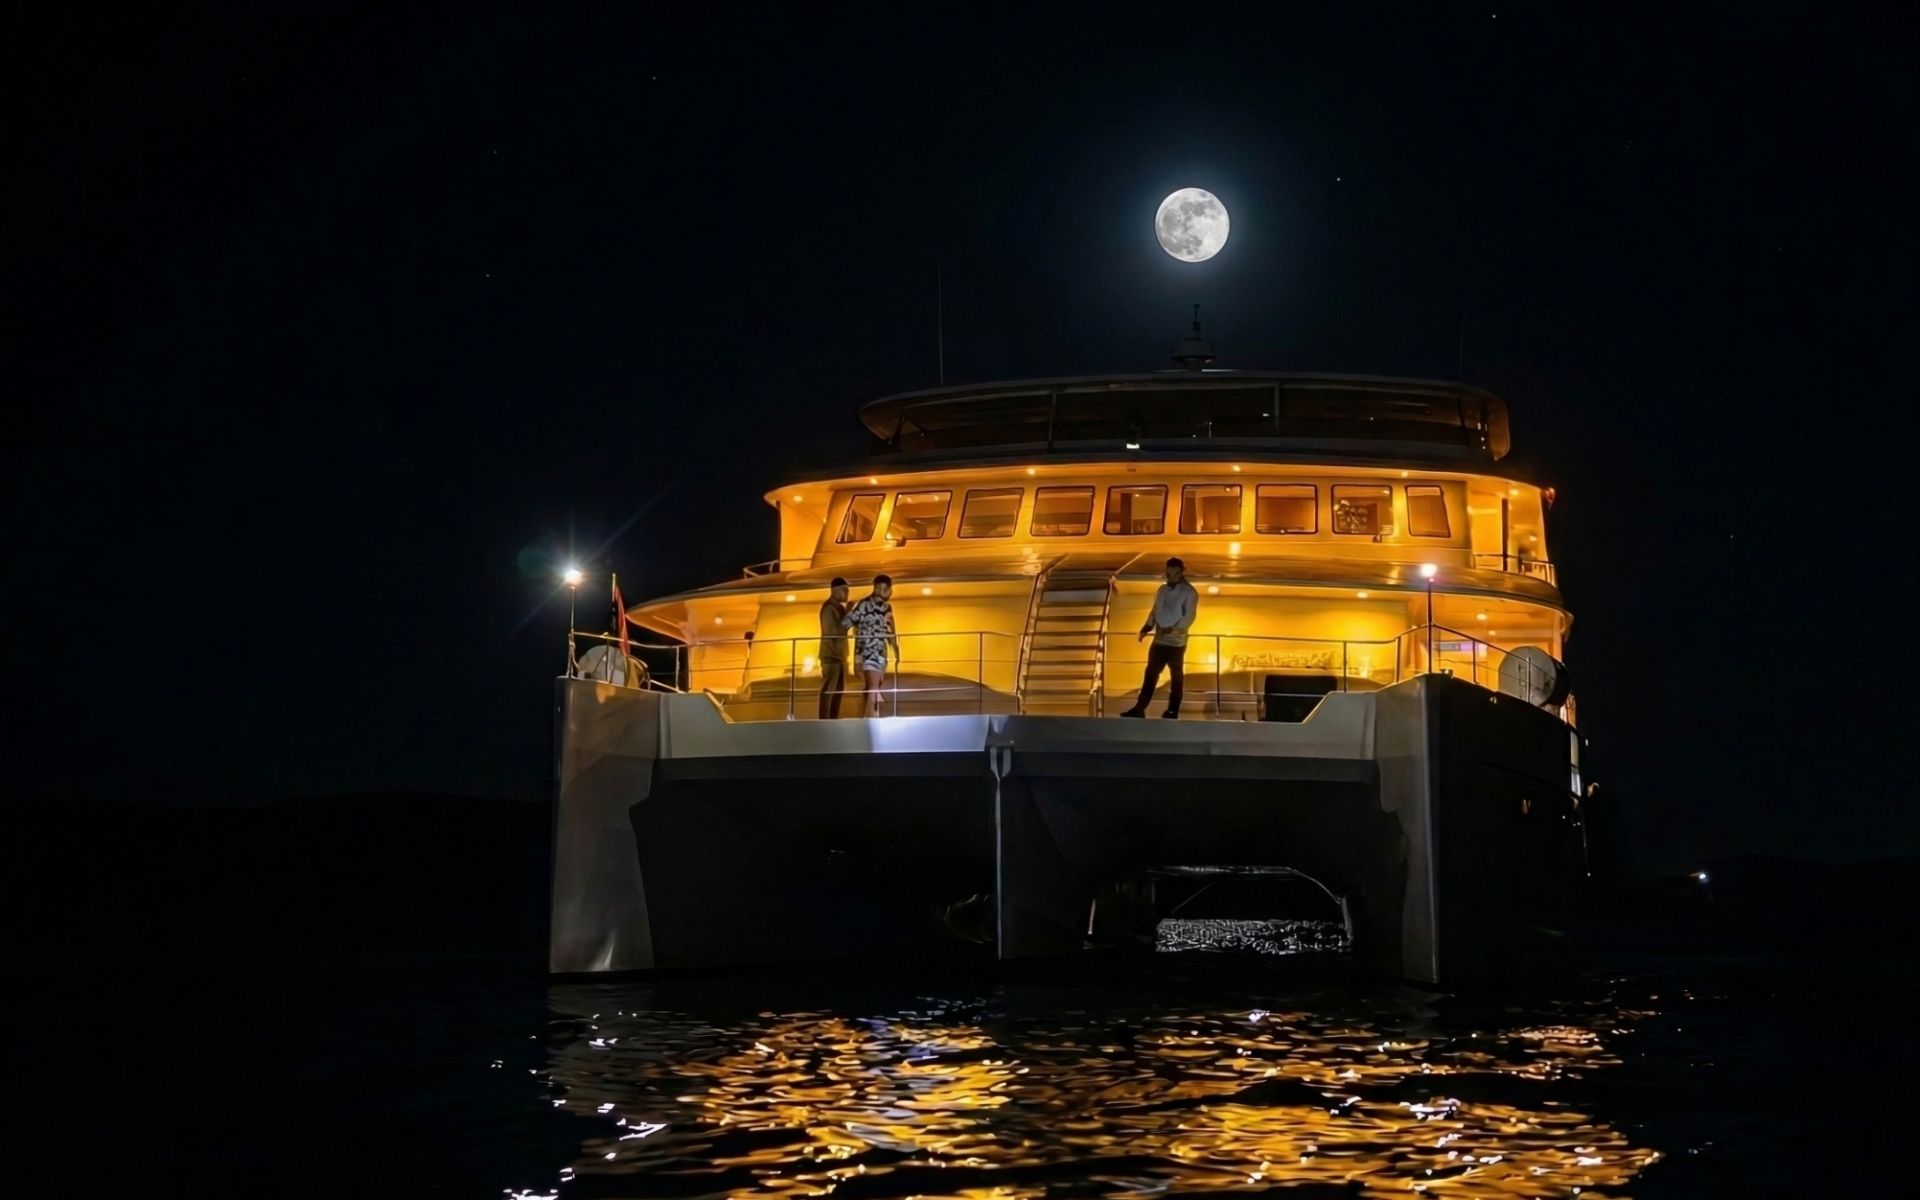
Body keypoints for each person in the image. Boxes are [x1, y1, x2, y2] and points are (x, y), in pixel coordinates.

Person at [1120, 557, 1198, 719]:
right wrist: (1146, 628)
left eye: (1172, 574)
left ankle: (1173, 711)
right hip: (1159, 641)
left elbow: (1189, 617)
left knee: (1176, 678)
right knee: (1150, 674)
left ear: (1180, 572)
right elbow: (1155, 611)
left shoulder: (1189, 592)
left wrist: (1171, 629)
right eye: (1168, 574)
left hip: (1176, 643)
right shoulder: (1162, 590)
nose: (1169, 577)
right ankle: (1140, 708)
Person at [843, 574, 900, 717]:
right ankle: (871, 719)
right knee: (873, 689)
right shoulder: (885, 607)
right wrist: (896, 650)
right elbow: (890, 631)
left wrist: (849, 611)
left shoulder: (864, 605)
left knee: (869, 688)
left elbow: (845, 623)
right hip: (876, 654)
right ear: (883, 588)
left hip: (865, 653)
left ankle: (862, 718)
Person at [816, 577, 851, 719]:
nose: (847, 594)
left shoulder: (838, 608)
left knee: (838, 690)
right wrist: (849, 614)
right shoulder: (829, 608)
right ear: (834, 590)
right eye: (844, 590)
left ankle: (833, 718)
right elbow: (835, 631)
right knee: (829, 689)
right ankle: (825, 719)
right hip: (831, 654)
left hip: (839, 655)